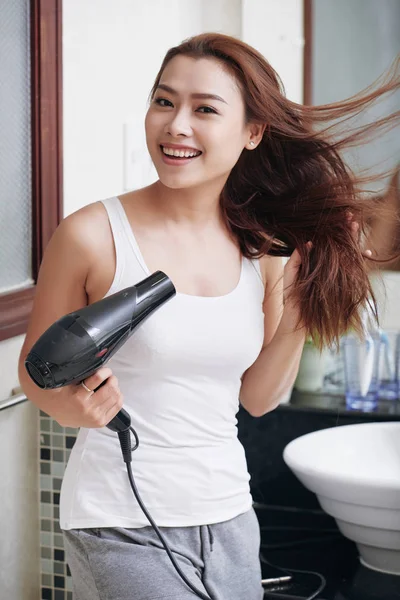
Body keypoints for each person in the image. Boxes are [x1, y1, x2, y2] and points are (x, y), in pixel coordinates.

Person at [18, 33, 399, 600]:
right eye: (164, 101)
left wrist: (300, 297)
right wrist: (77, 408)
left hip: (228, 516)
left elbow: (259, 398)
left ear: (252, 132)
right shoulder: (93, 235)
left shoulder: (261, 250)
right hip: (117, 517)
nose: (176, 125)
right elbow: (34, 374)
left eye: (205, 110)